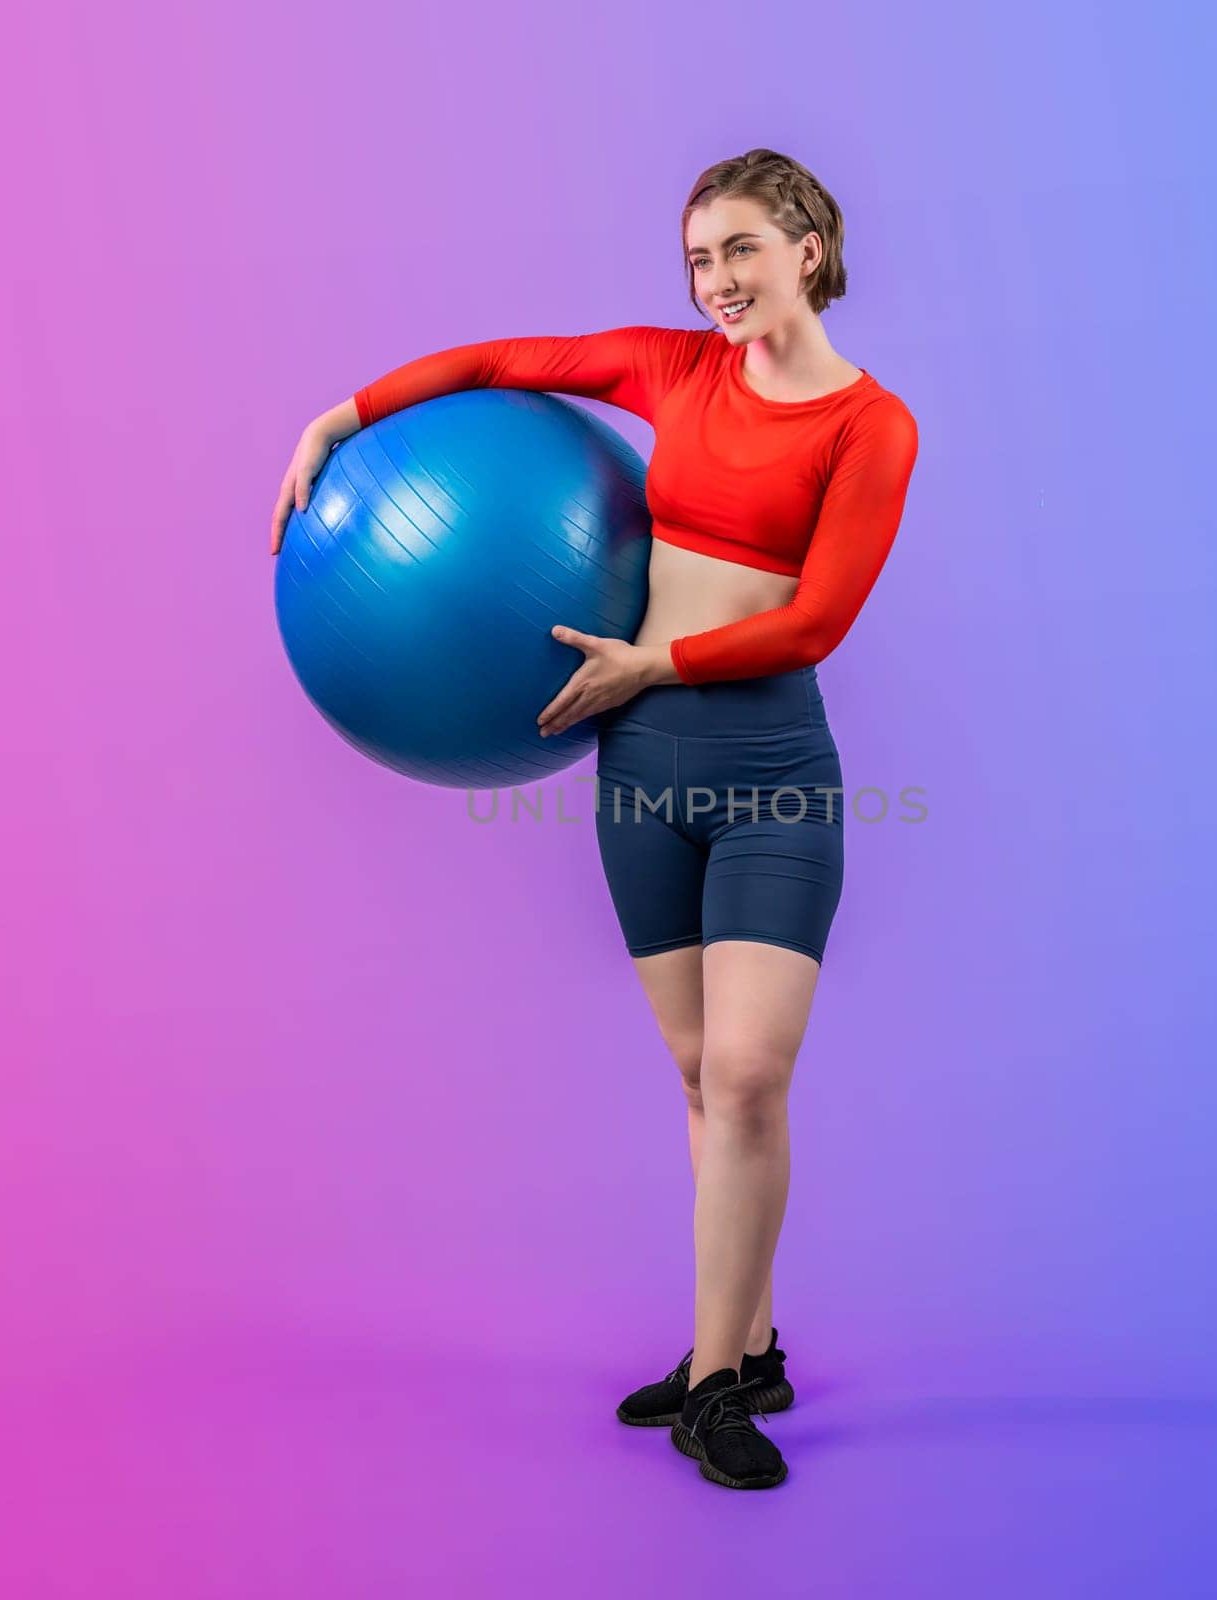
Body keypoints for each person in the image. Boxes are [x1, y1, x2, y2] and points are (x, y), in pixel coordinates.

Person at [269, 148, 919, 1490]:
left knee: (747, 1074)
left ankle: (719, 1387)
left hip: (770, 771)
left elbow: (820, 618)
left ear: (808, 246)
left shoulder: (873, 426)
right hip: (640, 772)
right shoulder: (674, 370)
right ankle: (741, 1346)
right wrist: (339, 417)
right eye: (696, 259)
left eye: (740, 248)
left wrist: (651, 667)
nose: (717, 281)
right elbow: (510, 366)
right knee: (697, 1080)